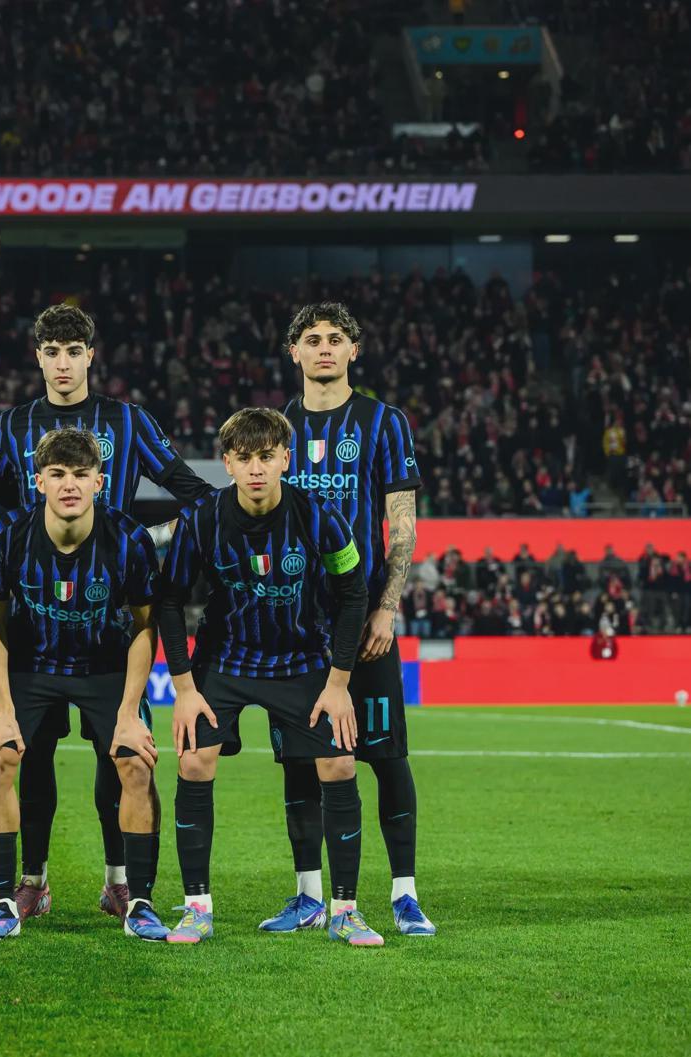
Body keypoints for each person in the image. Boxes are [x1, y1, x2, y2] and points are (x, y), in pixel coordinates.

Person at [0, 303, 210, 921]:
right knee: (29, 760)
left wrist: (155, 541)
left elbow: (192, 492)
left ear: (90, 356)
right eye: (52, 352)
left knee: (123, 760)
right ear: (38, 358)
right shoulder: (12, 426)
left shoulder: (128, 421)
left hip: (108, 625)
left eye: (73, 352)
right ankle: (31, 881)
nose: (63, 363)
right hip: (33, 631)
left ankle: (121, 883)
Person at [158, 407, 382, 946]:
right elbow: (168, 599)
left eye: (266, 457)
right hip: (226, 659)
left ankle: (345, 910)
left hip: (302, 659)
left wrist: (338, 684)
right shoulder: (202, 519)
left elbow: (353, 595)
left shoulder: (320, 516)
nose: (256, 469)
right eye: (244, 458)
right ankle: (197, 909)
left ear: (285, 458)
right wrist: (184, 688)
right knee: (194, 761)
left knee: (339, 763)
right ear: (227, 463)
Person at [269, 302, 435, 937]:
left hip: (364, 622)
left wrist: (387, 608)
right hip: (293, 629)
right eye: (311, 339)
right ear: (294, 352)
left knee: (386, 755)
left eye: (335, 339)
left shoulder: (384, 422)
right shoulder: (277, 427)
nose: (324, 348)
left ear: (353, 351)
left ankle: (404, 895)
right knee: (299, 761)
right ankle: (309, 895)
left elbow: (401, 526)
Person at [0, 428, 163, 941]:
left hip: (105, 664)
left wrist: (129, 712)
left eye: (80, 474)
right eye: (57, 474)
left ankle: (135, 898)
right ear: (39, 481)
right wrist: (3, 709)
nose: (69, 485)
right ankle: (6, 899)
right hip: (30, 663)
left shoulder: (129, 539)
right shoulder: (8, 534)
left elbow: (145, 626)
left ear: (99, 481)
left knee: (135, 761)